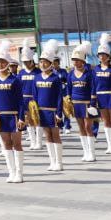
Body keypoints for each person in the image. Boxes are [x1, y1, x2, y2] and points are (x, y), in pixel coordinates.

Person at [0, 39, 25, 183]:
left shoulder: (15, 80)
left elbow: (20, 101)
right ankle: (11, 172)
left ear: (8, 63)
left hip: (14, 116)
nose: (0, 64)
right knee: (6, 144)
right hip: (0, 117)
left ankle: (19, 173)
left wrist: (21, 118)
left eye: (3, 62)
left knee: (17, 144)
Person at [33, 40, 65, 172]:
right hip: (41, 111)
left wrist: (59, 113)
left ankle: (59, 162)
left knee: (55, 135)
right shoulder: (36, 77)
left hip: (53, 111)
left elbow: (59, 97)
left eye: (45, 62)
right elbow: (34, 96)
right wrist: (34, 112)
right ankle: (52, 161)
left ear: (51, 63)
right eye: (41, 61)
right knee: (47, 135)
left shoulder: (55, 78)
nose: (42, 64)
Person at [65, 41, 97, 162]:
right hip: (76, 103)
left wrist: (93, 103)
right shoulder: (70, 74)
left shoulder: (89, 73)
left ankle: (92, 153)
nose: (75, 62)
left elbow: (93, 87)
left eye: (77, 60)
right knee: (81, 128)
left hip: (87, 103)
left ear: (83, 61)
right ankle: (86, 152)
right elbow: (69, 88)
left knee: (88, 127)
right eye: (74, 60)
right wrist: (68, 99)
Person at [93, 34, 111, 155]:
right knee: (105, 121)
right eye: (99, 55)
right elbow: (93, 85)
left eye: (103, 55)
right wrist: (93, 100)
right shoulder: (95, 69)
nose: (101, 57)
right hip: (100, 97)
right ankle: (110, 145)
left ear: (108, 56)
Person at [18, 40, 42, 152]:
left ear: (32, 61)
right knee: (29, 120)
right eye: (24, 62)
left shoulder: (38, 72)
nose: (26, 63)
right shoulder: (21, 73)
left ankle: (39, 142)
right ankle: (32, 141)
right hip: (24, 99)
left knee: (37, 119)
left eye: (28, 61)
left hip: (35, 98)